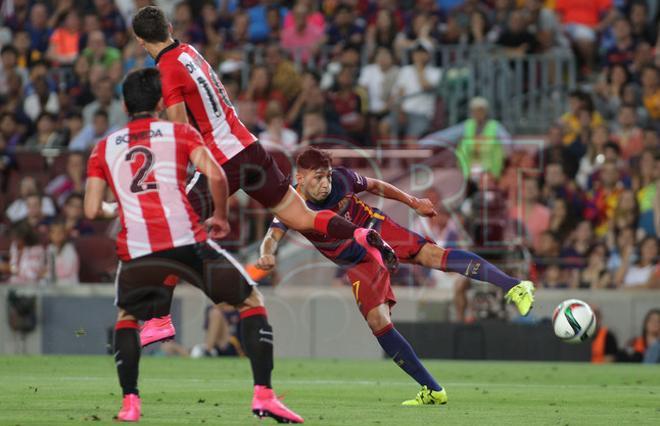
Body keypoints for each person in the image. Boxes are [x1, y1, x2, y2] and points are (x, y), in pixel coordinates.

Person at [132, 5, 397, 356]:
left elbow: (181, 130)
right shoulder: (188, 51)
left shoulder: (166, 69)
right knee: (302, 216)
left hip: (221, 161)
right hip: (250, 148)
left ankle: (158, 319)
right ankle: (361, 233)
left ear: (139, 41)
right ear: (168, 26)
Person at [83, 68, 303, 423]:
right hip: (185, 241)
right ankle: (264, 395)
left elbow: (92, 209)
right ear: (159, 102)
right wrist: (219, 215)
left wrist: (116, 205)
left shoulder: (104, 147)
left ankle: (130, 403)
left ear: (124, 104)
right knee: (250, 300)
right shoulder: (180, 133)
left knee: (127, 316)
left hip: (139, 250)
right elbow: (216, 173)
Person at [256, 148, 536, 403]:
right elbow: (273, 234)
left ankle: (515, 286)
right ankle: (433, 390)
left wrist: (413, 202)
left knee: (434, 256)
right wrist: (267, 253)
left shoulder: (342, 179)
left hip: (375, 228)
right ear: (300, 178)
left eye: (327, 175)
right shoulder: (292, 205)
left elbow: (376, 185)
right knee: (378, 321)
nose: (326, 183)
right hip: (356, 261)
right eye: (318, 177)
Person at [421, 97, 511, 180]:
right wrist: (422, 143)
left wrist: (506, 155)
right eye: (475, 111)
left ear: (486, 111)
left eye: (481, 110)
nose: (478, 113)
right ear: (471, 112)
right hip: (469, 172)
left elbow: (507, 142)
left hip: (490, 172)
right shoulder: (467, 125)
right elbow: (445, 135)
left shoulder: (495, 126)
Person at [44, 220, 79, 285]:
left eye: (60, 233)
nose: (57, 235)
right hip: (53, 282)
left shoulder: (69, 249)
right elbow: (48, 267)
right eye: (53, 232)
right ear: (49, 235)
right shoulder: (50, 248)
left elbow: (67, 271)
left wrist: (48, 273)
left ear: (65, 235)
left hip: (69, 283)